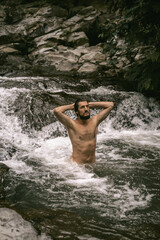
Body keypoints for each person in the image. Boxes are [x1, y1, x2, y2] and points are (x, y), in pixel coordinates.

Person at [54, 99, 114, 164]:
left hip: (91, 164)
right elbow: (57, 111)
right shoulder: (72, 124)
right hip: (77, 167)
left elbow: (110, 105)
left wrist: (90, 104)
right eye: (82, 107)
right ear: (76, 111)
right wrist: (72, 106)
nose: (86, 109)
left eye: (87, 107)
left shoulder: (94, 121)